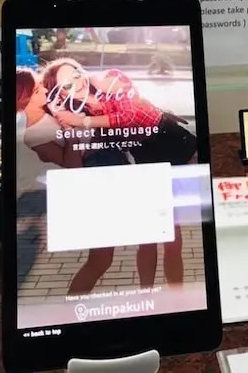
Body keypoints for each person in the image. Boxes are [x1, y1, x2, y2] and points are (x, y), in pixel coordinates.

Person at [39, 58, 189, 296]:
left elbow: (128, 118)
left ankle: (178, 297)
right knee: (149, 237)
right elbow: (76, 155)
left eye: (76, 74)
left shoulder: (110, 78)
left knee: (173, 239)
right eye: (66, 85)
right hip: (141, 161)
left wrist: (82, 121)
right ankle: (147, 297)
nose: (77, 83)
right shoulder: (74, 111)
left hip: (169, 141)